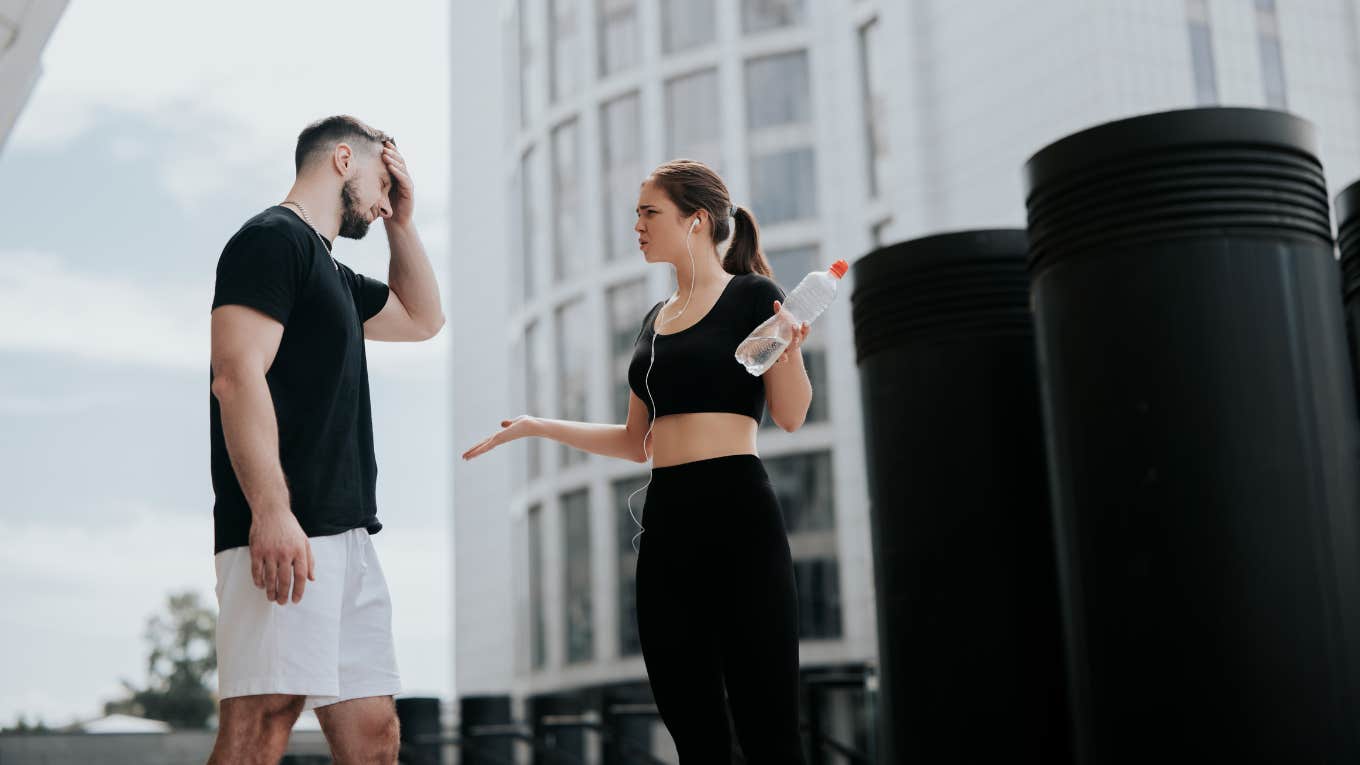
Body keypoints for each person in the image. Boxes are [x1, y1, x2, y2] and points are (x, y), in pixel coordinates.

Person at [462, 159, 813, 763]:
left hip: (738, 510)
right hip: (668, 519)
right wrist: (536, 426)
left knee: (767, 717)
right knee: (689, 719)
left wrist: (791, 351)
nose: (639, 226)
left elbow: (790, 415)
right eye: (637, 215)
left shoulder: (755, 295)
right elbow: (634, 441)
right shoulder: (654, 320)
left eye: (650, 213)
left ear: (696, 220)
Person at [207, 115, 444, 764]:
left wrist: (400, 221)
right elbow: (235, 375)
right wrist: (272, 511)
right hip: (286, 526)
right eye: (380, 173)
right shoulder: (270, 241)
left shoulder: (332, 275)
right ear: (344, 159)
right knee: (260, 728)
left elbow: (424, 319)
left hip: (346, 538)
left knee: (375, 738)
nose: (385, 189)